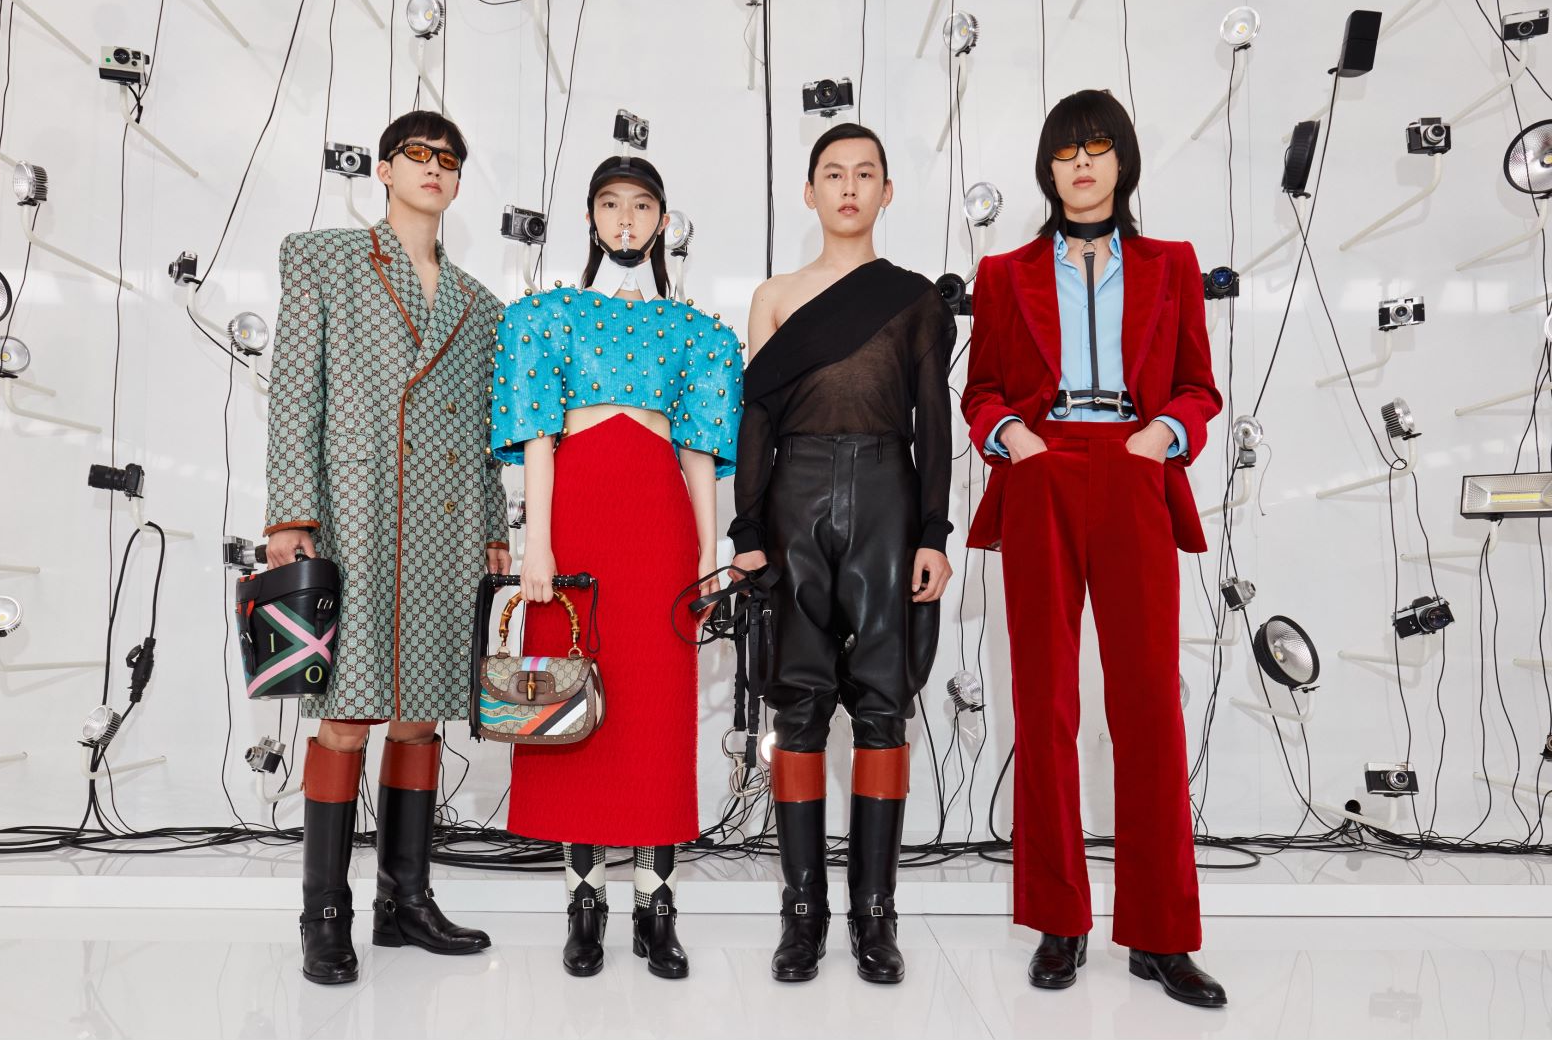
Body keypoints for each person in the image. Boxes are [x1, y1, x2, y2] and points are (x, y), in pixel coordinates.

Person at [961, 89, 1227, 1007]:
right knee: (1044, 702)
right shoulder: (1004, 273)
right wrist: (1012, 439)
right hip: (1041, 468)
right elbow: (982, 391)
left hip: (1133, 465)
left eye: (1098, 148)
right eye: (1066, 151)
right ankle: (1059, 921)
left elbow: (1198, 386)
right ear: (1048, 168)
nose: (1081, 164)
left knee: (1148, 702)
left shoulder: (1170, 263)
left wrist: (1162, 437)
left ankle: (1161, 933)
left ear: (1123, 161)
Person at [264, 110, 510, 985]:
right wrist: (291, 515)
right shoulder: (325, 259)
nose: (434, 168)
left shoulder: (480, 304)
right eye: (418, 154)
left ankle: (405, 902)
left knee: (422, 713)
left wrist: (494, 525)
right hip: (354, 510)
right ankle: (324, 914)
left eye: (449, 159)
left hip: (447, 522)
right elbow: (294, 392)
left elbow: (485, 435)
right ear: (384, 169)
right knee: (345, 714)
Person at [491, 155, 742, 980]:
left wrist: (707, 554)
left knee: (659, 715)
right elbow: (538, 437)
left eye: (641, 205)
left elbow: (699, 454)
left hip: (659, 529)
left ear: (663, 220)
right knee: (572, 710)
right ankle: (584, 902)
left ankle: (655, 905)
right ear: (590, 217)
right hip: (577, 524)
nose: (626, 219)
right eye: (610, 204)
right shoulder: (545, 316)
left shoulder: (699, 332)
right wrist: (537, 543)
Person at [728, 122, 955, 986]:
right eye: (833, 173)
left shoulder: (915, 299)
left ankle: (875, 916)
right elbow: (754, 422)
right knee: (797, 707)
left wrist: (934, 534)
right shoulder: (775, 296)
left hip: (889, 494)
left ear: (887, 193)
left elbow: (934, 423)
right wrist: (748, 534)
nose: (849, 187)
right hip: (794, 496)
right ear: (810, 192)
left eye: (866, 174)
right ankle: (802, 915)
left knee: (883, 708)